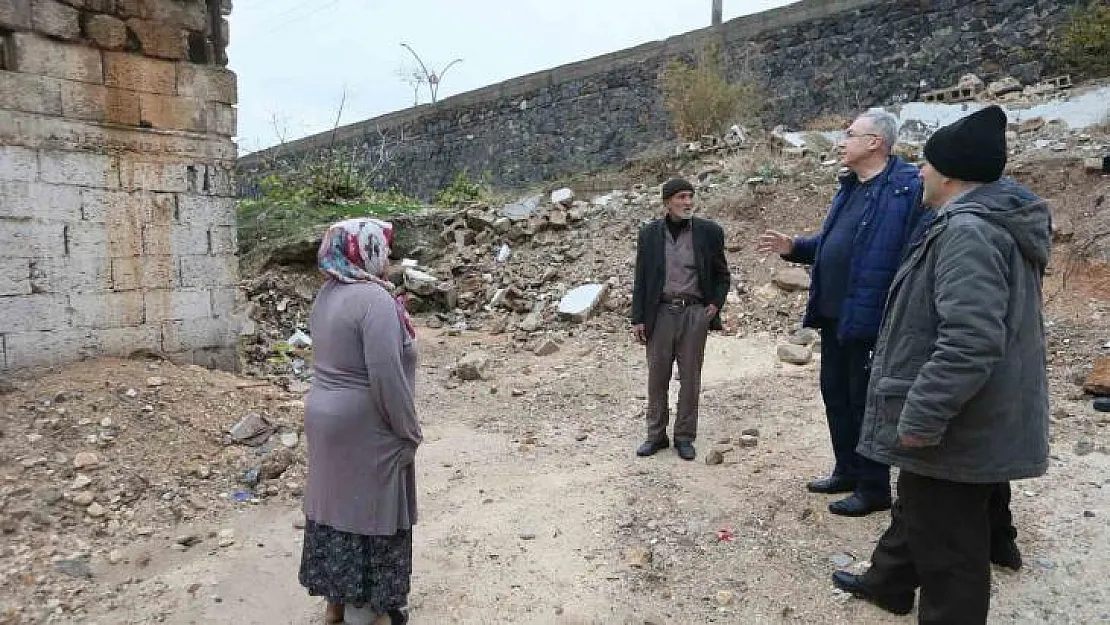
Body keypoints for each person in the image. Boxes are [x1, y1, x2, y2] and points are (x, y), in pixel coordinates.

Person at [832, 105, 1050, 623]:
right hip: (977, 414)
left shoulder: (967, 233)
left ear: (951, 175)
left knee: (949, 545)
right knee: (921, 498)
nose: (920, 172)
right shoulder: (982, 221)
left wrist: (923, 414)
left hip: (959, 421)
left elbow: (970, 342)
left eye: (928, 165)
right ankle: (888, 582)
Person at [757, 110, 922, 516]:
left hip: (871, 318)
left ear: (874, 143)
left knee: (865, 401)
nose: (841, 141)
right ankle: (846, 470)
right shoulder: (850, 187)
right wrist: (795, 247)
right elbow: (836, 242)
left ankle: (874, 486)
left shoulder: (906, 187)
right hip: (835, 316)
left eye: (850, 134)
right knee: (836, 395)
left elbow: (913, 251)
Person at [299, 218, 422, 625]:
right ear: (365, 250)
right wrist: (408, 430)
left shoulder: (328, 293)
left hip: (324, 416)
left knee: (333, 508)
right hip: (364, 424)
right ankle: (366, 610)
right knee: (372, 512)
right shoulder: (373, 299)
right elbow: (386, 376)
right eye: (381, 247)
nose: (387, 255)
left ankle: (335, 601)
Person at [631, 178, 731, 461]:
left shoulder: (709, 232)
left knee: (690, 378)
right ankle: (656, 435)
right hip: (660, 313)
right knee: (657, 376)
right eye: (680, 197)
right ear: (667, 202)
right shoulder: (649, 234)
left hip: (693, 314)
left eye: (690, 196)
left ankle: (685, 436)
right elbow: (642, 279)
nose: (687, 202)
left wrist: (713, 305)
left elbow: (723, 275)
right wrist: (638, 318)